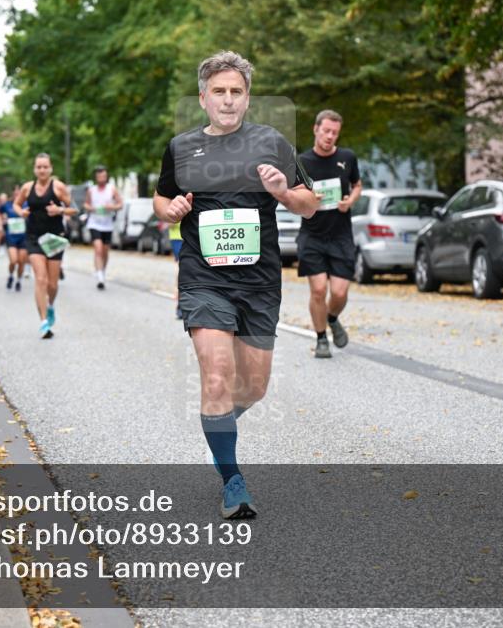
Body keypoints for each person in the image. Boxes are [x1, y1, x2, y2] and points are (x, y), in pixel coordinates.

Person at [153, 51, 318, 519]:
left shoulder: (272, 143)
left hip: (260, 280)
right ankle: (232, 480)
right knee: (217, 373)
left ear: (247, 98)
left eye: (237, 92)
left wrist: (283, 192)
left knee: (254, 387)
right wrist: (170, 211)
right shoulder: (182, 147)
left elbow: (310, 205)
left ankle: (218, 429)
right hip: (204, 278)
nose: (228, 101)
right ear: (204, 98)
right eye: (219, 92)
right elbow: (161, 197)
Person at [297, 109, 362, 358]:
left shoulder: (347, 157)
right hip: (312, 234)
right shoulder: (302, 162)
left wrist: (350, 201)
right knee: (318, 290)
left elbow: (357, 185)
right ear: (316, 129)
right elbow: (295, 196)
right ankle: (321, 338)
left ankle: (332, 318)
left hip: (341, 234)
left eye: (334, 132)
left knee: (339, 292)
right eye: (326, 131)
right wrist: (309, 199)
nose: (329, 136)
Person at [14, 154, 77, 338]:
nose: (42, 170)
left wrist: (60, 210)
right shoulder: (27, 188)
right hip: (33, 238)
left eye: (45, 167)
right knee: (40, 279)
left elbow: (74, 208)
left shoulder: (58, 187)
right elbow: (16, 205)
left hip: (54, 238)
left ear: (51, 169)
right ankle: (43, 322)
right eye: (38, 167)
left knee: (52, 284)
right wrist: (22, 212)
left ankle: (50, 306)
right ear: (34, 169)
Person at [83, 165, 123, 290]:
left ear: (106, 177)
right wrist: (93, 209)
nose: (102, 178)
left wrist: (111, 207)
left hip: (107, 225)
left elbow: (120, 204)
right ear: (96, 177)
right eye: (99, 176)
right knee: (98, 249)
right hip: (94, 223)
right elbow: (86, 204)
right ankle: (100, 276)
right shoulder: (91, 190)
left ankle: (102, 271)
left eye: (104, 176)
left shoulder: (112, 189)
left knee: (105, 251)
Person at [1, 186, 28, 291]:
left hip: (23, 236)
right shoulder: (7, 205)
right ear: (12, 194)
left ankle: (19, 280)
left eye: (19, 193)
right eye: (15, 193)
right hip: (11, 236)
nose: (17, 195)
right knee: (13, 260)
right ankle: (11, 275)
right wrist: (1, 221)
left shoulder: (26, 204)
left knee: (21, 261)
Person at [169, 220, 183, 318]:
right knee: (181, 267)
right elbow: (168, 221)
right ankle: (180, 303)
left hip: (193, 234)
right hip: (177, 237)